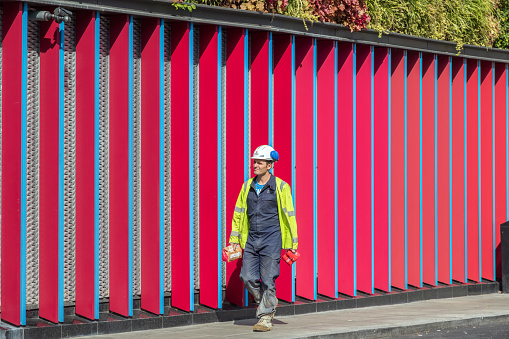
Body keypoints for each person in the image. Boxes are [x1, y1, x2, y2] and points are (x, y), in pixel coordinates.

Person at [229, 145, 298, 332]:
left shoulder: (281, 187)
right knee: (247, 277)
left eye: (259, 162)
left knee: (268, 278)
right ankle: (266, 301)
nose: (255, 165)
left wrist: (292, 244)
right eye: (254, 162)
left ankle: (265, 318)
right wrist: (234, 240)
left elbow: (289, 216)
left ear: (270, 165)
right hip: (251, 239)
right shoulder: (247, 186)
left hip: (272, 238)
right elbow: (239, 214)